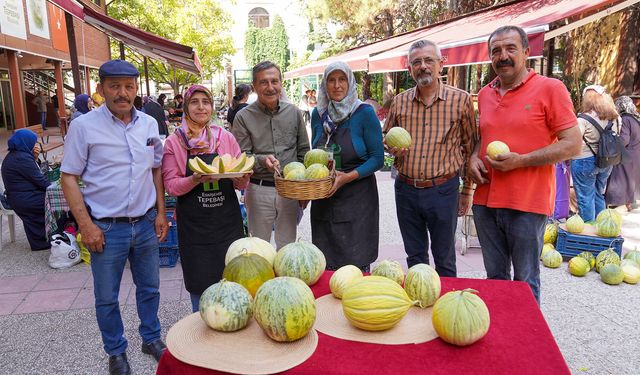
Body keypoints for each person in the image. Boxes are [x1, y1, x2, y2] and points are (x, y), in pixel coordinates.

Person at [60, 59, 169, 375]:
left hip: (146, 223)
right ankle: (116, 351)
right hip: (106, 229)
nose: (123, 93)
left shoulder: (150, 125)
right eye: (115, 86)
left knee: (150, 288)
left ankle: (150, 338)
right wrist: (86, 225)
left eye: (129, 86)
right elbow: (69, 177)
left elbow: (157, 168)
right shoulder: (84, 127)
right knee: (107, 297)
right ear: (100, 89)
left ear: (137, 88)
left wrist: (161, 213)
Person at [468, 26, 581, 304]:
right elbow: (482, 137)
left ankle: (527, 344)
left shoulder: (550, 88)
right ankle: (498, 339)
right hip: (485, 202)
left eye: (510, 49)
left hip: (527, 204)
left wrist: (522, 161)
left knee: (525, 281)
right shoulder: (484, 94)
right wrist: (472, 157)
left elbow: (573, 144)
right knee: (494, 278)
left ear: (527, 53)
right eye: (496, 50)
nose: (502, 56)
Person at [383, 40, 477, 277]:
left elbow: (470, 147)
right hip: (406, 190)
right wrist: (390, 148)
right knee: (415, 257)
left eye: (428, 60)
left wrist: (467, 191)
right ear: (409, 69)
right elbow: (386, 137)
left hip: (443, 190)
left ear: (441, 65)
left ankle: (448, 309)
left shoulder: (461, 100)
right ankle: (420, 306)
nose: (423, 66)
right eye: (416, 62)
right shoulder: (400, 101)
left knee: (445, 258)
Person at [162, 85, 250, 312]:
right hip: (195, 228)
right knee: (200, 284)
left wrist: (243, 178)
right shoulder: (175, 142)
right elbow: (171, 187)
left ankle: (234, 320)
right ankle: (199, 333)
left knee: (234, 278)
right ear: (185, 107)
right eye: (194, 102)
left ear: (211, 106)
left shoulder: (226, 138)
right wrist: (194, 180)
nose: (201, 107)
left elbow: (240, 183)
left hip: (226, 223)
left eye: (205, 102)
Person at [310, 62, 384, 272]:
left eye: (342, 79)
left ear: (350, 82)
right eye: (331, 80)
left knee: (355, 268)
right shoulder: (318, 113)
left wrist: (346, 177)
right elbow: (313, 153)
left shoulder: (364, 113)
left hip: (358, 201)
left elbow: (377, 158)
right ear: (325, 85)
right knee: (325, 266)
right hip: (324, 201)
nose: (337, 85)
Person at [232, 61, 310, 249]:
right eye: (264, 82)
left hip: (289, 189)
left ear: (281, 83)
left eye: (274, 81)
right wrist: (261, 160)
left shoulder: (294, 113)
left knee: (288, 248)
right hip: (259, 189)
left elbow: (304, 152)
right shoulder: (243, 117)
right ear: (254, 86)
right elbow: (241, 156)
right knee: (258, 249)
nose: (270, 87)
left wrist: (303, 189)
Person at [571, 85, 621, 222]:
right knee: (599, 193)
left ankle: (589, 232)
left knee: (585, 198)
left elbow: (574, 142)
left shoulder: (582, 119)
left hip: (584, 160)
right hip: (606, 160)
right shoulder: (615, 117)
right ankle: (601, 229)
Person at [1, 130, 50, 251]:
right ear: (25, 142)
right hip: (25, 199)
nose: (35, 146)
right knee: (60, 200)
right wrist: (58, 187)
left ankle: (48, 235)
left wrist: (34, 158)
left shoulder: (18, 154)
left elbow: (32, 175)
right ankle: (51, 237)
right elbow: (41, 181)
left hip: (21, 196)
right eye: (33, 142)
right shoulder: (21, 158)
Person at [606, 96, 640, 211]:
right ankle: (631, 202)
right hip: (636, 155)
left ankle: (618, 203)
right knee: (631, 179)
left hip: (627, 156)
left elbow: (624, 140)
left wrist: (613, 142)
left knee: (619, 177)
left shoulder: (625, 119)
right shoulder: (636, 119)